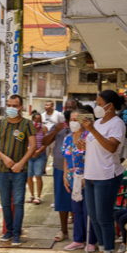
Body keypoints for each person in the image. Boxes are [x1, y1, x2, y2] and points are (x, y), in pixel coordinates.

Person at [81, 90, 127, 253]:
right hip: (92, 174)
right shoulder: (98, 123)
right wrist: (85, 144)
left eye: (100, 103)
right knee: (94, 217)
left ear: (110, 106)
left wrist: (92, 131)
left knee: (104, 218)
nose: (96, 106)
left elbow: (111, 147)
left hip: (107, 176)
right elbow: (96, 146)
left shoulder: (117, 124)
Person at [0, 94, 36, 247]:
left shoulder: (27, 124)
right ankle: (8, 231)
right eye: (9, 105)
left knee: (18, 203)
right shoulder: (0, 124)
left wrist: (21, 163)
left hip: (20, 171)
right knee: (5, 203)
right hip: (3, 170)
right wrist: (4, 158)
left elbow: (33, 146)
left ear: (21, 108)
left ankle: (17, 233)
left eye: (15, 106)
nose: (11, 108)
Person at [62, 110, 97, 253]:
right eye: (71, 119)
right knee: (76, 210)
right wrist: (65, 176)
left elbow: (94, 157)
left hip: (86, 177)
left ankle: (91, 241)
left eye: (76, 119)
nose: (73, 122)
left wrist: (87, 176)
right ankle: (78, 239)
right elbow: (65, 158)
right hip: (72, 178)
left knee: (88, 210)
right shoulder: (67, 138)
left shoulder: (89, 137)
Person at [49, 98, 76, 242]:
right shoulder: (59, 126)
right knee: (61, 201)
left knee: (77, 200)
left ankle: (78, 232)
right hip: (59, 168)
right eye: (67, 107)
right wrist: (55, 131)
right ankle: (64, 230)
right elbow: (45, 142)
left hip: (77, 170)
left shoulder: (80, 126)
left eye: (73, 107)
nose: (69, 110)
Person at [26, 112, 49, 205]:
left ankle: (38, 196)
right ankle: (32, 195)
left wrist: (38, 152)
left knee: (38, 176)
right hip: (29, 156)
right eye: (36, 120)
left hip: (40, 155)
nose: (38, 122)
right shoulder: (28, 129)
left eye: (40, 120)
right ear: (32, 121)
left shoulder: (44, 129)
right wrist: (30, 151)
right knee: (29, 176)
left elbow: (46, 142)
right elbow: (24, 142)